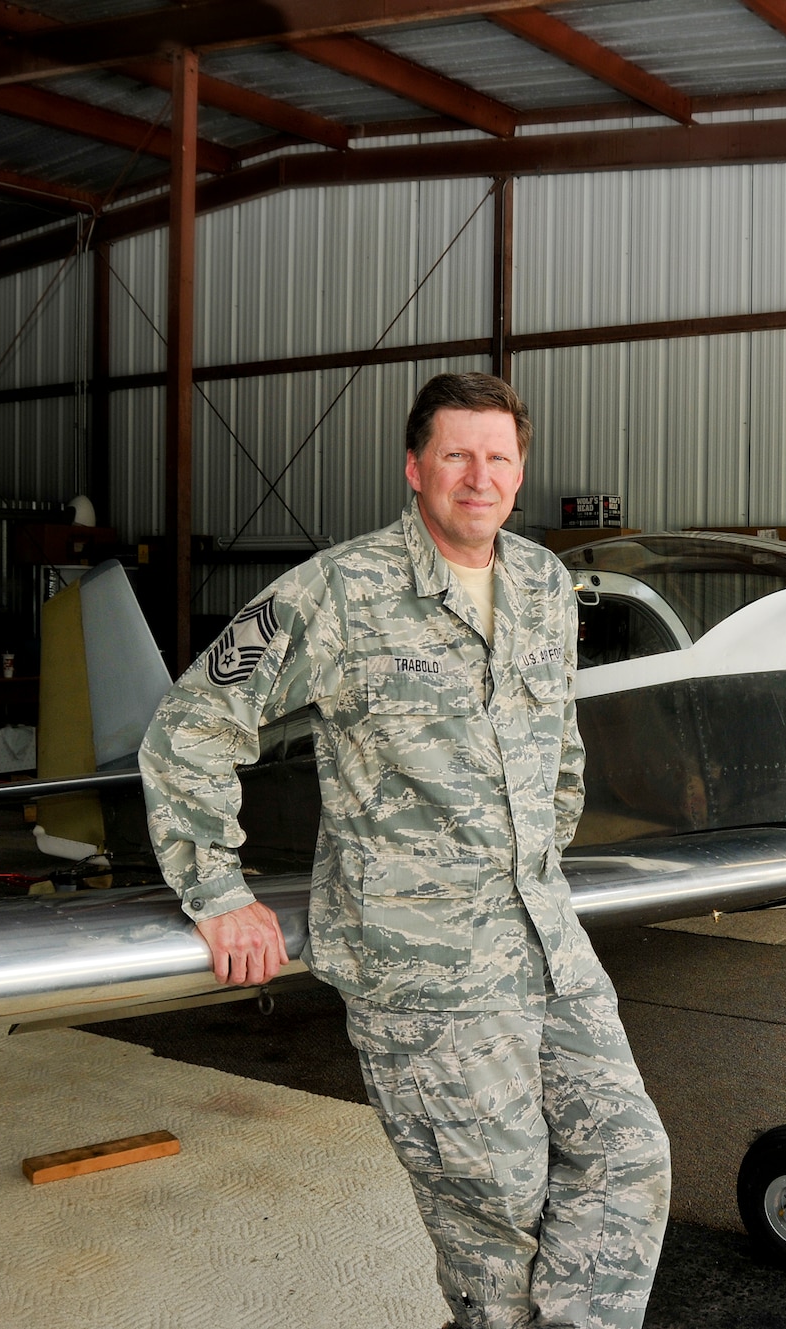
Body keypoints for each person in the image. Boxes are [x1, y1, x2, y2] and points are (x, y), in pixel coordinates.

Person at [138, 372, 671, 1329]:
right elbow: (192, 721)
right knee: (496, 1223)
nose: (480, 476)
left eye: (498, 456)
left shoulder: (544, 583)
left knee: (630, 1157)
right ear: (415, 468)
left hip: (546, 943)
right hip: (423, 974)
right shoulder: (341, 590)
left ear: (520, 471)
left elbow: (560, 742)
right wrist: (217, 887)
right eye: (457, 455)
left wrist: (539, 858)